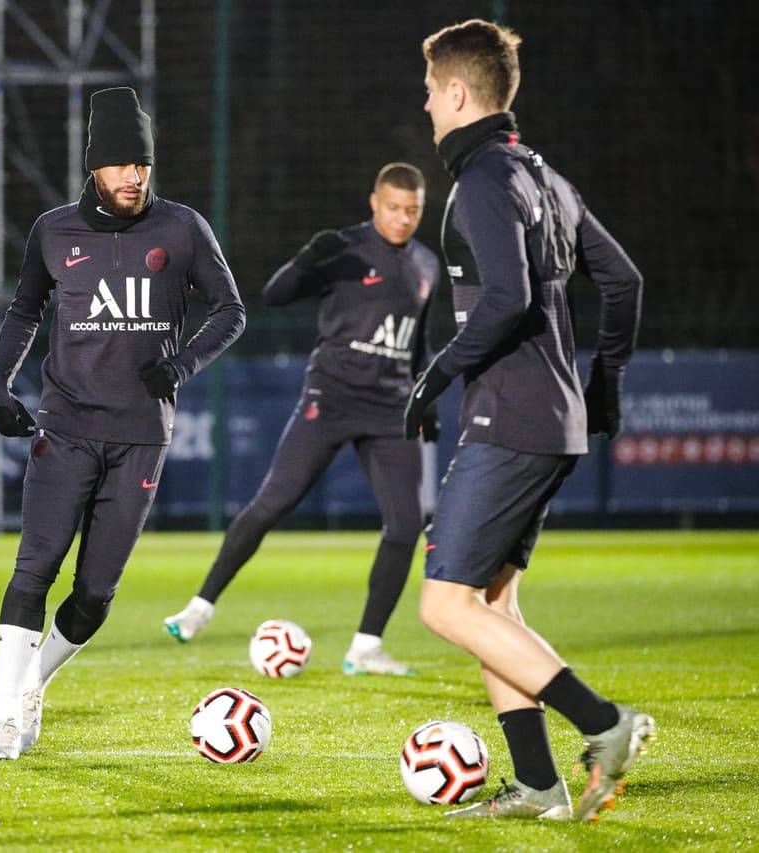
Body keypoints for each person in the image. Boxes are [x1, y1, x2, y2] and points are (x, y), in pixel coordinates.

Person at [406, 20, 651, 821]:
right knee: (492, 606)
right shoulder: (544, 176)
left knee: (444, 604)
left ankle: (605, 721)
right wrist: (604, 384)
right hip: (554, 418)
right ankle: (540, 784)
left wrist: (437, 373)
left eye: (431, 92)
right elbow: (624, 282)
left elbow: (507, 300)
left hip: (509, 418)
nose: (427, 107)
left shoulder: (481, 176)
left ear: (457, 93)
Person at [0, 87, 246, 760]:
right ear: (93, 167)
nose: (134, 176)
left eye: (143, 164)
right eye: (121, 164)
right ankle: (4, 717)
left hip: (140, 437)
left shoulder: (182, 228)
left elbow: (231, 310)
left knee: (95, 595)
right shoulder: (53, 230)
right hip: (63, 424)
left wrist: (182, 365)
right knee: (34, 568)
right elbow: (23, 310)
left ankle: (31, 684)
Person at [163, 163, 440, 676]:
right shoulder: (345, 248)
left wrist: (430, 400)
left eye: (413, 210)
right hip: (330, 397)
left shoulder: (427, 263)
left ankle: (365, 647)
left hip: (391, 407)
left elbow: (419, 341)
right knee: (273, 502)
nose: (403, 219)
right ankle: (199, 609)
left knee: (405, 525)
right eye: (394, 208)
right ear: (374, 203)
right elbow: (275, 294)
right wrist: (306, 258)